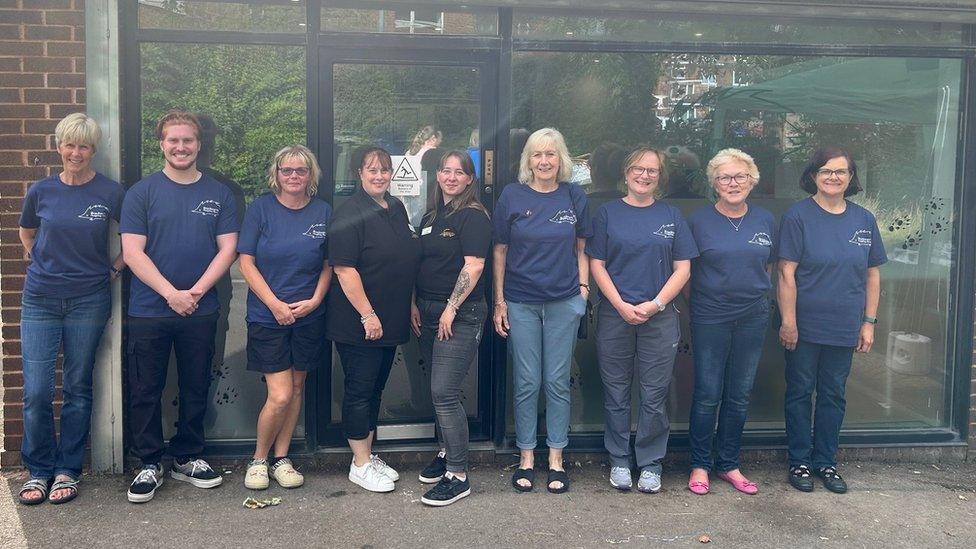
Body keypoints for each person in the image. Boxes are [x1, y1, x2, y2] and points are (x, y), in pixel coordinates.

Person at [121, 111, 239, 503]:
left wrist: (196, 293)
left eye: (188, 140)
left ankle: (187, 457)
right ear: (161, 144)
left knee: (195, 385)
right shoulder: (142, 193)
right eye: (173, 140)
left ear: (198, 144)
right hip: (148, 310)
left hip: (200, 310)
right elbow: (132, 252)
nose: (181, 147)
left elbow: (228, 249)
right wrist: (171, 293)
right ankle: (149, 463)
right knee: (145, 388)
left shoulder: (219, 193)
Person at [16, 113, 125, 505]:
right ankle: (39, 469)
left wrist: (113, 270)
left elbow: (133, 239)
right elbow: (27, 230)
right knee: (37, 390)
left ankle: (68, 469)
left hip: (88, 300)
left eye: (83, 146)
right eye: (69, 145)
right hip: (40, 299)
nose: (76, 152)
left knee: (78, 386)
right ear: (58, 147)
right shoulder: (41, 191)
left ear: (92, 150)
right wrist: (36, 256)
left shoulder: (110, 193)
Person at [587, 145, 698, 493]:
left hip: (660, 316)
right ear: (625, 172)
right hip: (614, 314)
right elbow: (596, 264)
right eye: (638, 168)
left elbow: (684, 268)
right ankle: (619, 458)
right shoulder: (606, 214)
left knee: (654, 393)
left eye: (651, 170)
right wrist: (619, 304)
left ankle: (650, 462)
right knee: (617, 391)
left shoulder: (671, 216)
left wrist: (656, 304)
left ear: (659, 177)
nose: (644, 175)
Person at [778, 147, 886, 494]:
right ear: (813, 176)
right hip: (805, 325)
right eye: (825, 171)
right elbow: (786, 272)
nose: (833, 177)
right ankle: (799, 461)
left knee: (833, 395)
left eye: (841, 171)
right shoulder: (798, 216)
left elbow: (872, 275)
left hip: (845, 324)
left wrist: (868, 321)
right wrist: (789, 321)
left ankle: (826, 461)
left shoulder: (864, 220)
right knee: (799, 393)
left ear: (851, 178)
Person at [493, 128, 590, 494]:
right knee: (527, 380)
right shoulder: (512, 196)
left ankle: (556, 458)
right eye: (537, 155)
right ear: (528, 160)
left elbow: (583, 247)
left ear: (560, 159)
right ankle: (527, 457)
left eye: (551, 154)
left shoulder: (573, 195)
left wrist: (582, 291)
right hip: (521, 300)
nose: (544, 161)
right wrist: (500, 301)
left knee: (556, 380)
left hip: (564, 299)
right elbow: (499, 251)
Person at [326, 147, 419, 492]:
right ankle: (360, 464)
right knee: (360, 390)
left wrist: (409, 304)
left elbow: (403, 259)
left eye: (384, 170)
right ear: (358, 173)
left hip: (390, 317)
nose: (379, 176)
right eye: (372, 170)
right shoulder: (349, 214)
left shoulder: (393, 207)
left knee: (376, 388)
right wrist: (368, 315)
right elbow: (344, 269)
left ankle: (367, 453)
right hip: (360, 321)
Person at [238, 145, 332, 490]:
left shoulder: (323, 211)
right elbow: (245, 262)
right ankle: (259, 459)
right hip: (268, 315)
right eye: (287, 170)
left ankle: (282, 459)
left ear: (311, 176)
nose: (294, 176)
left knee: (295, 388)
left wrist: (315, 300)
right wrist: (275, 304)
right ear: (276, 174)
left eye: (301, 171)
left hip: (309, 314)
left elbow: (328, 265)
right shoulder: (260, 209)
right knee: (278, 394)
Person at [686, 149, 776, 496]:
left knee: (739, 394)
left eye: (740, 176)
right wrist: (704, 306)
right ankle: (699, 464)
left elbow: (768, 267)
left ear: (752, 180)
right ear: (714, 184)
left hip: (753, 315)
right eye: (724, 177)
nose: (733, 183)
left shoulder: (766, 220)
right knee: (708, 393)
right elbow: (688, 274)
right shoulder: (698, 221)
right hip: (710, 315)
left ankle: (728, 464)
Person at [410, 151, 492, 506]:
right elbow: (421, 262)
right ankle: (445, 453)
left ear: (471, 179)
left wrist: (451, 308)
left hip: (460, 313)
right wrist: (414, 302)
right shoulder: (432, 215)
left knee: (444, 392)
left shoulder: (473, 217)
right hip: (427, 310)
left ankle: (458, 475)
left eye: (460, 172)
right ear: (438, 175)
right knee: (438, 391)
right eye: (446, 170)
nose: (452, 177)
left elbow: (473, 267)